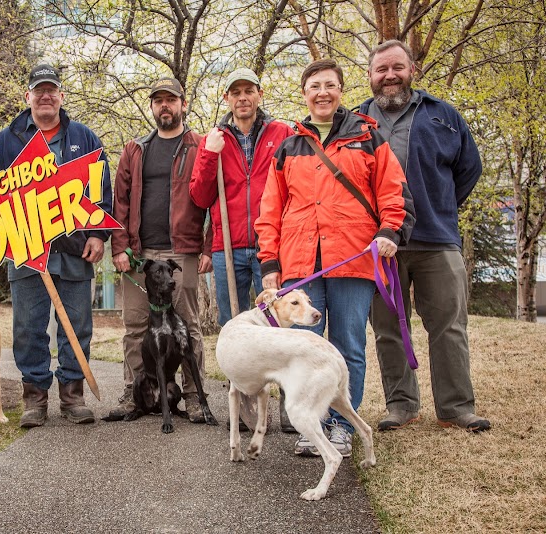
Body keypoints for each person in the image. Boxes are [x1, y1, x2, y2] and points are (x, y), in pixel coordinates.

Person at [255, 58, 415, 457]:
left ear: (341, 90)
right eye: (314, 86)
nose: (322, 92)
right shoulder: (289, 146)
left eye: (329, 85)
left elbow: (391, 191)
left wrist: (387, 231)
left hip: (353, 259)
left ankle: (343, 425)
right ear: (305, 93)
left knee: (347, 346)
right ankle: (313, 423)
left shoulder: (368, 138)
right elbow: (270, 210)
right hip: (300, 264)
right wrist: (270, 264)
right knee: (303, 346)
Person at [361, 40, 490, 433]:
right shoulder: (353, 121)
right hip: (381, 244)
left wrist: (440, 205)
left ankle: (456, 408)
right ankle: (401, 404)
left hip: (437, 239)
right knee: (387, 328)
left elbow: (469, 169)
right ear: (370, 76)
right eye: (381, 70)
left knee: (449, 325)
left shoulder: (443, 115)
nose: (389, 76)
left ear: (412, 69)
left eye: (397, 67)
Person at [0, 63, 112, 428]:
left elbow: (102, 193)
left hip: (74, 252)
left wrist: (98, 235)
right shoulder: (6, 141)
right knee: (27, 326)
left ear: (60, 96)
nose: (45, 96)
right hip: (25, 252)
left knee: (77, 325)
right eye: (38, 90)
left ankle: (72, 397)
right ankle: (34, 398)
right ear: (28, 97)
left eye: (51, 90)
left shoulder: (84, 138)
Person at [108, 77, 212, 421]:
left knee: (189, 326)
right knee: (136, 325)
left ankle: (195, 395)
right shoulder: (135, 149)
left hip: (182, 253)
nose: (164, 106)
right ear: (152, 107)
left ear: (183, 104)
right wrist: (120, 247)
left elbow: (214, 199)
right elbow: (119, 201)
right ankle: (135, 388)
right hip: (140, 253)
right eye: (158, 101)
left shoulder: (200, 146)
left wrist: (208, 246)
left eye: (171, 100)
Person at [189, 67, 294, 325]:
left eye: (249, 91)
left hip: (271, 247)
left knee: (275, 323)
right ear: (227, 98)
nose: (243, 97)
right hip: (227, 246)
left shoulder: (282, 134)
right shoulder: (213, 139)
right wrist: (211, 154)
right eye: (236, 92)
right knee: (233, 324)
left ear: (260, 94)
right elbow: (200, 198)